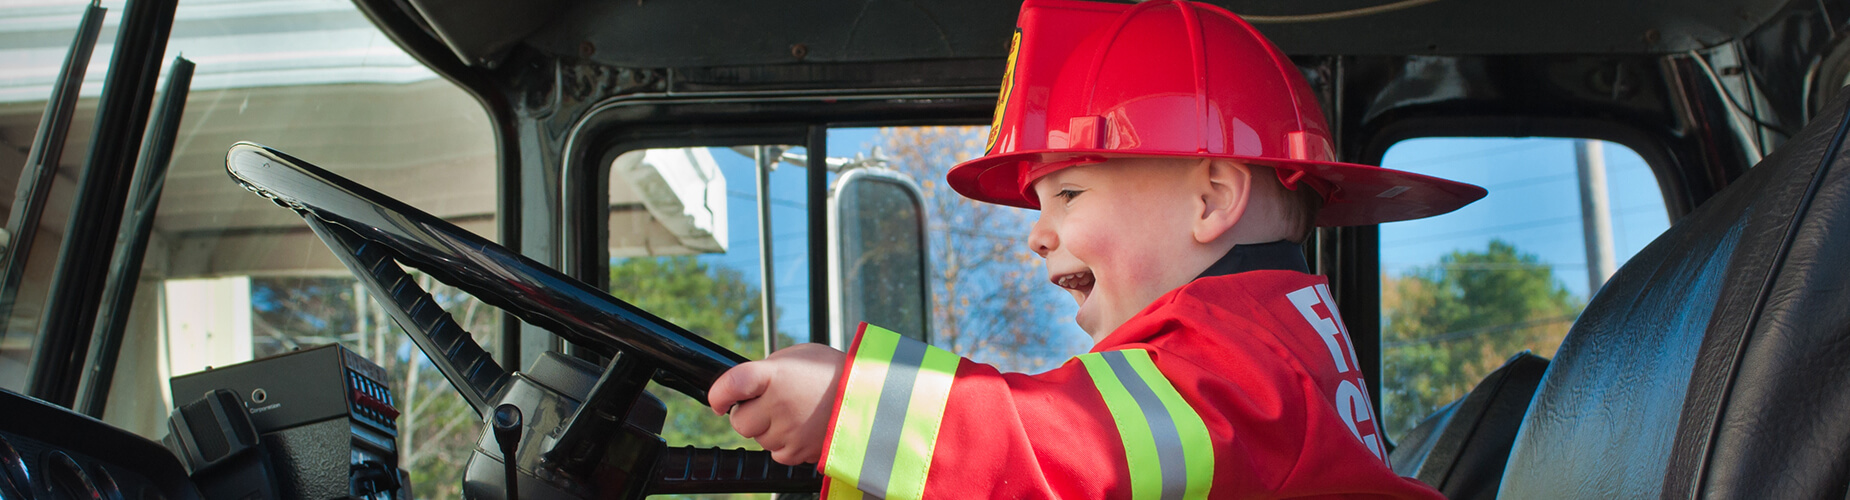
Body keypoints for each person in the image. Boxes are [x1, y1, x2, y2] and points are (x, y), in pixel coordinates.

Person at [707, 0, 1487, 497]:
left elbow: (1072, 451)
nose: (1037, 233)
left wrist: (854, 401)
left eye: (1069, 194)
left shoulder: (1246, 369)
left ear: (1212, 200)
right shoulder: (1273, 344)